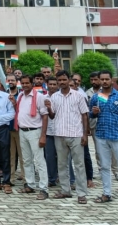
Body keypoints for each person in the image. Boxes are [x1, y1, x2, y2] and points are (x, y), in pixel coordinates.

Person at [89, 70, 118, 209]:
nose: (104, 81)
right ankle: (106, 194)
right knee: (104, 167)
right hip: (101, 136)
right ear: (99, 80)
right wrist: (94, 113)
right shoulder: (97, 97)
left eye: (107, 79)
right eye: (102, 79)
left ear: (111, 80)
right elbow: (90, 114)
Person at [47, 71, 89, 204]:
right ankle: (65, 190)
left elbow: (84, 115)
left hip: (76, 134)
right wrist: (49, 109)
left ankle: (81, 193)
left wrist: (85, 134)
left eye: (64, 79)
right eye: (59, 80)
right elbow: (52, 116)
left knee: (79, 165)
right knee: (62, 164)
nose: (62, 82)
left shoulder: (78, 96)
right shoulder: (54, 97)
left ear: (69, 80)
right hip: (59, 134)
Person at [15, 75, 50, 200]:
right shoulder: (20, 96)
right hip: (22, 131)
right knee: (26, 160)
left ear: (32, 83)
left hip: (35, 132)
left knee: (39, 161)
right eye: (23, 83)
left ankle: (44, 189)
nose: (25, 85)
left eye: (27, 83)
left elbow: (45, 116)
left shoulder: (39, 97)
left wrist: (43, 135)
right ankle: (30, 184)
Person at [5, 73, 25, 183]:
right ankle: (11, 178)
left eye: (13, 80)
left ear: (17, 82)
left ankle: (25, 178)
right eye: (9, 80)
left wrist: (14, 103)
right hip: (7, 129)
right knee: (10, 156)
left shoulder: (21, 94)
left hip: (19, 128)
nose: (10, 82)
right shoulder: (4, 94)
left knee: (22, 156)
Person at [43, 76, 60, 187]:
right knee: (49, 157)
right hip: (48, 131)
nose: (52, 86)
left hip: (61, 131)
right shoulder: (43, 98)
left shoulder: (61, 97)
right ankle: (51, 179)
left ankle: (64, 178)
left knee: (62, 157)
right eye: (50, 84)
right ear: (47, 85)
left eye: (54, 84)